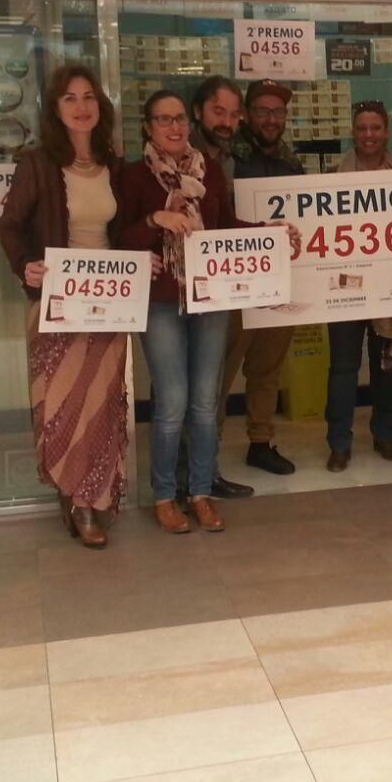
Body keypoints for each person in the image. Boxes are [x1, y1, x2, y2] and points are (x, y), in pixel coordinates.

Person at [0, 64, 144, 549]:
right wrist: (26, 267)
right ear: (55, 110)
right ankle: (73, 493)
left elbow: (124, 230)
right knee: (61, 403)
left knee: (101, 405)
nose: (81, 106)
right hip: (58, 303)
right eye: (69, 98)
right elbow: (11, 228)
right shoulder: (38, 165)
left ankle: (94, 497)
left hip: (109, 301)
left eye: (88, 97)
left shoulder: (115, 166)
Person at [117, 90, 257, 535]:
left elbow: (224, 227)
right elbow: (118, 239)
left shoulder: (207, 169)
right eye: (163, 120)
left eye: (179, 119)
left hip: (209, 296)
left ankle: (199, 492)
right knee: (172, 401)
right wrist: (156, 220)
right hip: (160, 301)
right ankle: (163, 495)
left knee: (204, 401)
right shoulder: (134, 176)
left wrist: (268, 235)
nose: (174, 128)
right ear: (148, 127)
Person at [216, 79, 304, 478]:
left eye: (278, 112)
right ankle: (206, 450)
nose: (271, 119)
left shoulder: (292, 163)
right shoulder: (225, 159)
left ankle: (261, 442)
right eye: (263, 111)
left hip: (278, 280)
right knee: (219, 370)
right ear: (248, 115)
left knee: (268, 368)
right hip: (234, 284)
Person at [182, 74, 252, 500]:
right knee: (182, 392)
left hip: (218, 286)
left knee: (209, 388)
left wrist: (271, 233)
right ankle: (181, 481)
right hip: (178, 293)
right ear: (197, 112)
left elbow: (224, 224)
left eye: (232, 113)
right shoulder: (177, 156)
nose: (226, 121)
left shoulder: (226, 160)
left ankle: (203, 476)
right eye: (217, 112)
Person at [324, 101, 392, 471]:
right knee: (343, 368)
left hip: (387, 288)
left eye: (376, 128)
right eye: (362, 128)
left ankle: (384, 433)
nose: (369, 135)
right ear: (353, 132)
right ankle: (339, 442)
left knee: (385, 365)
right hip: (343, 287)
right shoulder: (332, 178)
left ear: (386, 132)